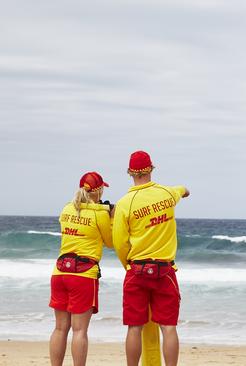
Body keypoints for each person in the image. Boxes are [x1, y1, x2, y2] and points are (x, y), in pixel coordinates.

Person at [113, 151, 189, 366]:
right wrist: (185, 191)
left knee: (134, 327)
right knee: (169, 327)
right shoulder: (167, 193)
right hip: (165, 271)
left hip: (137, 270)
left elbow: (120, 242)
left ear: (129, 172)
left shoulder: (125, 203)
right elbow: (181, 189)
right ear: (151, 169)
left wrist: (126, 264)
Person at [49, 172, 113, 366]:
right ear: (99, 190)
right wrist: (110, 216)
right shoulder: (100, 213)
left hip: (60, 272)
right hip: (83, 275)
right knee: (79, 331)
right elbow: (110, 243)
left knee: (60, 329)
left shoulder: (67, 208)